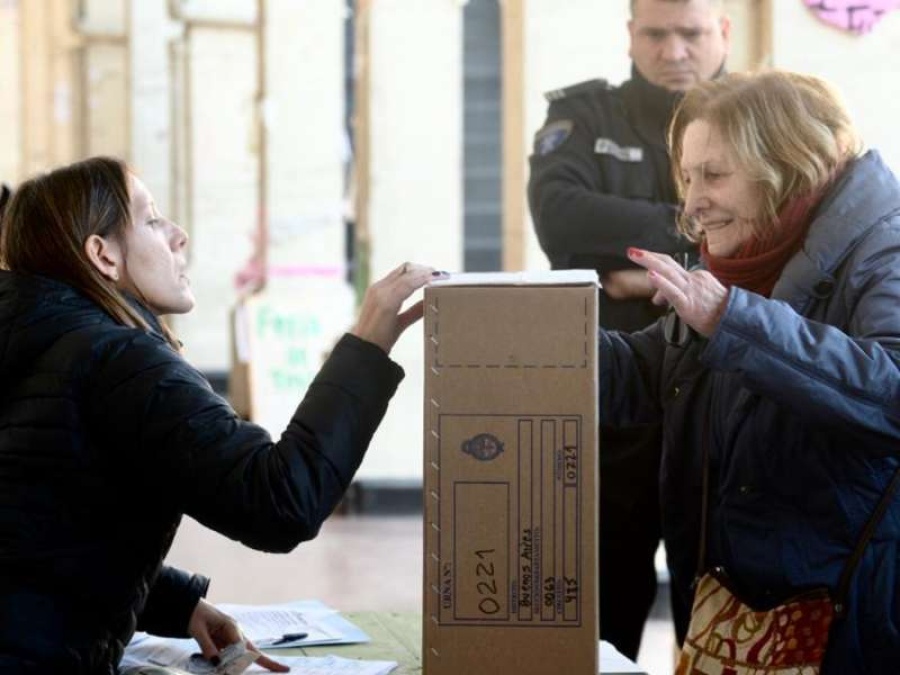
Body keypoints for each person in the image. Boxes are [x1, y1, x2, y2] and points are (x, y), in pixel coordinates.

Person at [0, 156, 440, 674]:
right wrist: (368, 346)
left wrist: (178, 605)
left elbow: (40, 537)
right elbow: (280, 499)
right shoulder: (119, 360)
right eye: (151, 219)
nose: (178, 235)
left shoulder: (35, 337)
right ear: (102, 255)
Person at [602, 69, 900, 673]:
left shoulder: (883, 248)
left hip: (847, 631)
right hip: (736, 622)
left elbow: (892, 395)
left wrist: (734, 320)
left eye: (713, 176)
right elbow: (651, 370)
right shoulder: (751, 258)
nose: (691, 204)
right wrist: (532, 339)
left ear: (789, 167)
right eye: (687, 177)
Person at [527, 0, 731, 656]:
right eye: (657, 34)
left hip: (719, 396)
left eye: (691, 33)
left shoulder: (756, 117)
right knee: (607, 593)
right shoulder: (586, 116)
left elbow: (776, 233)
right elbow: (561, 219)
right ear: (630, 37)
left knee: (714, 596)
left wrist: (637, 271)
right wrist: (700, 237)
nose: (674, 51)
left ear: (722, 33)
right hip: (616, 398)